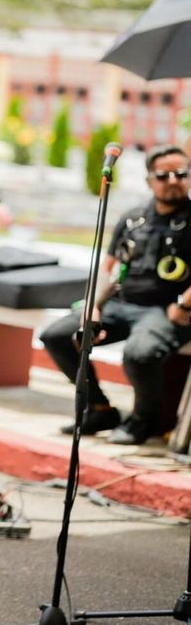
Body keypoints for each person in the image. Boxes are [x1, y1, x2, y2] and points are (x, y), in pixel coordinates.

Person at [40, 145, 191, 445]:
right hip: (120, 304)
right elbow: (110, 269)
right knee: (58, 336)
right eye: (164, 175)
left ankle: (142, 422)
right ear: (149, 180)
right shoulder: (134, 218)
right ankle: (98, 409)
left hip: (164, 310)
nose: (173, 180)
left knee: (138, 354)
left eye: (181, 174)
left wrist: (184, 304)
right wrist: (93, 307)